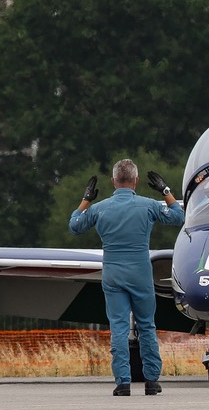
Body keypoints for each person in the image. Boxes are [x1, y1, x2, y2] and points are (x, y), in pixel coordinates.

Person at [68, 159, 184, 396]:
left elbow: (75, 226)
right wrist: (166, 191)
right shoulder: (149, 205)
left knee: (118, 328)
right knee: (147, 325)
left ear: (113, 181)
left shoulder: (99, 209)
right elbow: (178, 216)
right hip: (140, 273)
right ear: (136, 181)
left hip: (113, 274)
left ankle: (123, 382)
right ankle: (152, 380)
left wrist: (86, 199)